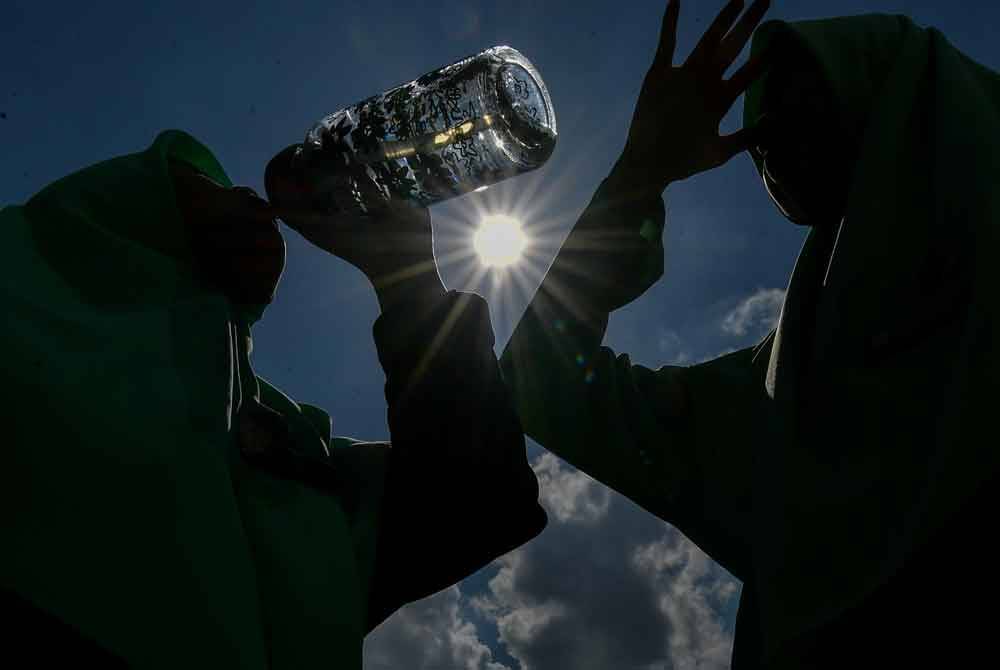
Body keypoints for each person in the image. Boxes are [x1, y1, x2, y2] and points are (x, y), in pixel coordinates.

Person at [500, 0, 999, 667]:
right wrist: (638, 177)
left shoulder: (780, 406)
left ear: (913, 115)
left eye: (800, 107)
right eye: (763, 129)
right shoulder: (777, 401)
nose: (761, 142)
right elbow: (545, 381)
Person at [0, 129, 547, 668]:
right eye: (197, 179)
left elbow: (478, 505)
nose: (246, 194)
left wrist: (406, 277)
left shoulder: (280, 446)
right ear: (113, 205)